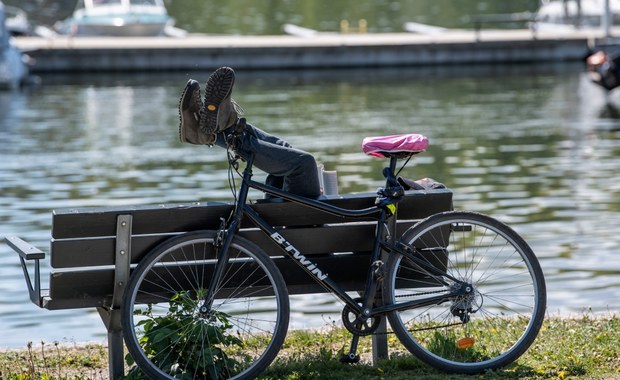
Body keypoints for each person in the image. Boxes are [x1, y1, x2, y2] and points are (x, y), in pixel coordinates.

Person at [178, 66, 321, 199]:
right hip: (297, 214)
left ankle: (217, 132)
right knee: (285, 149)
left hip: (299, 218)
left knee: (304, 163)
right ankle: (220, 129)